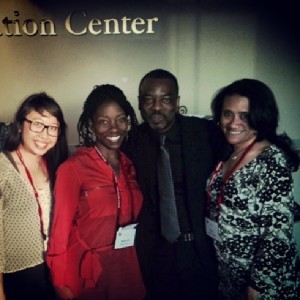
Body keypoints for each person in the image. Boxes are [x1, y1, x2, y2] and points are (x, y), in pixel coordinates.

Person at [123, 69, 224, 300]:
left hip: (199, 251)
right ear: (139, 104)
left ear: (177, 103)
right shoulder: (133, 141)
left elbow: (238, 160)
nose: (157, 107)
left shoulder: (204, 133)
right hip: (156, 254)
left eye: (165, 100)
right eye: (149, 100)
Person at [46, 84, 146, 300]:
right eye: (104, 121)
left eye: (120, 119)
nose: (114, 128)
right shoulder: (73, 168)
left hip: (125, 263)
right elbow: (59, 231)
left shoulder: (130, 165)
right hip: (86, 268)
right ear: (91, 124)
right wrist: (59, 279)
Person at [207, 78, 300, 299]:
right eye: (227, 114)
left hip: (263, 285)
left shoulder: (271, 160)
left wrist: (257, 287)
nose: (233, 123)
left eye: (244, 116)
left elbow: (277, 235)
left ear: (261, 117)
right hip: (230, 275)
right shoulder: (229, 151)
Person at [0, 92, 69, 300]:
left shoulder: (57, 166)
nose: (44, 134)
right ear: (20, 125)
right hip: (17, 275)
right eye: (37, 124)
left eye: (53, 128)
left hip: (53, 268)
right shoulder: (3, 168)